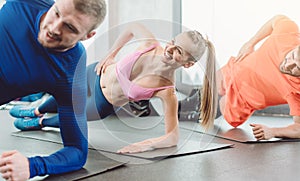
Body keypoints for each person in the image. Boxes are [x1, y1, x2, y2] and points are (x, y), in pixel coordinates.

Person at [9, 22, 218, 154]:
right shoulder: (150, 44)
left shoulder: (166, 90)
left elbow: (172, 137)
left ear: (188, 64)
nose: (169, 49)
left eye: (178, 51)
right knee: (65, 93)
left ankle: (40, 122)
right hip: (95, 73)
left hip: (102, 103)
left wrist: (146, 144)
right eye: (173, 42)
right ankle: (37, 109)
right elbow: (131, 28)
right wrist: (111, 54)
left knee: (71, 115)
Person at [0, 0, 106, 180]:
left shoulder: (70, 70)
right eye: (56, 13)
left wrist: (33, 166)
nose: (55, 29)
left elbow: (77, 151)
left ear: (87, 36)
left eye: (70, 27)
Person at [217, 14, 300, 141]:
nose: (288, 65)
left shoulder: (297, 90)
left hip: (239, 103)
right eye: (293, 56)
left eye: (297, 68)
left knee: (204, 107)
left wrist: (273, 132)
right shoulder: (288, 33)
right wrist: (250, 43)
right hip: (234, 70)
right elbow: (276, 20)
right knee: (207, 86)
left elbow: (298, 127)